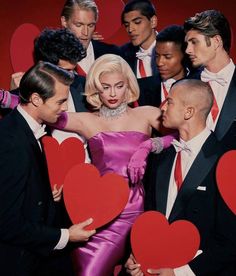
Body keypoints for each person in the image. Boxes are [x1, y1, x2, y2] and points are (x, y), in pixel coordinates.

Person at [125, 79, 236, 275]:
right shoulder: (162, 158)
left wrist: (181, 273)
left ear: (189, 112)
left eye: (170, 101)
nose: (163, 107)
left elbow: (229, 240)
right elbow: (151, 216)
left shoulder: (225, 162)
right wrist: (139, 256)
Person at [0, 61, 96, 276]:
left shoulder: (23, 129)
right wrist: (65, 236)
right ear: (36, 99)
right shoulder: (11, 142)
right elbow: (6, 222)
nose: (64, 108)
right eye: (60, 101)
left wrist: (42, 195)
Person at [4, 28, 91, 162]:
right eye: (65, 71)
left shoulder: (83, 85)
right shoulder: (25, 94)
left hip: (85, 173)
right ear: (44, 67)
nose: (72, 76)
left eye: (73, 70)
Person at [184, 9, 236, 151]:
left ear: (217, 41)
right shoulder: (183, 86)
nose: (188, 50)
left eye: (194, 42)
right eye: (187, 43)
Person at [61, 0, 121, 76]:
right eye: (79, 25)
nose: (85, 33)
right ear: (64, 22)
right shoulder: (51, 56)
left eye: (90, 25)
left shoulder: (112, 54)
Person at [120, 0, 158, 106]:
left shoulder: (177, 48)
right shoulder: (121, 55)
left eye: (137, 22)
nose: (130, 29)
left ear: (153, 21)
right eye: (127, 25)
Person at [145, 24, 190, 108]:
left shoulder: (198, 85)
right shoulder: (141, 88)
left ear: (185, 55)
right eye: (157, 56)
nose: (159, 63)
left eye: (167, 57)